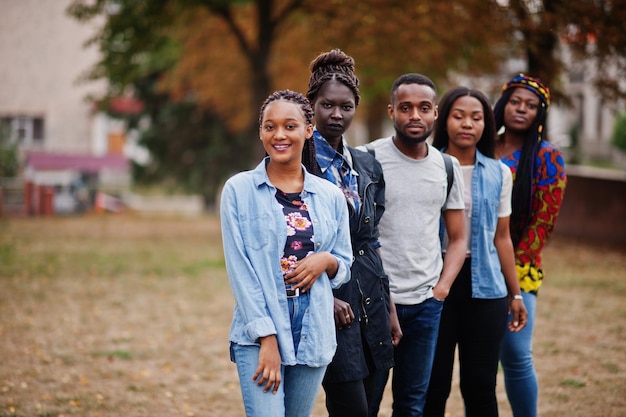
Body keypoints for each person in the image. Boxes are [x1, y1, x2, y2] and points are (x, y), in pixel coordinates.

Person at [220, 89, 353, 417]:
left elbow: (345, 264)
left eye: (290, 126)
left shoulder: (330, 195)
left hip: (314, 328)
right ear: (261, 131)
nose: (279, 134)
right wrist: (267, 338)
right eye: (270, 126)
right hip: (259, 326)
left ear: (308, 130)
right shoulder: (238, 191)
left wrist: (327, 260)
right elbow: (240, 270)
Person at [364, 73, 467, 417]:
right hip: (376, 302)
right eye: (405, 108)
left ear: (435, 113)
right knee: (366, 404)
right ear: (392, 110)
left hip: (426, 306)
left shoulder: (447, 167)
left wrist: (441, 290)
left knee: (411, 406)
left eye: (424, 108)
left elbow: (458, 238)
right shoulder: (367, 159)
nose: (415, 116)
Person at [305, 49, 401, 417]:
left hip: (371, 300)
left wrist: (389, 306)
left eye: (346, 107)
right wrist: (323, 299)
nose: (336, 115)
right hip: (330, 305)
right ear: (311, 104)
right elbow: (290, 242)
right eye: (327, 105)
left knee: (373, 405)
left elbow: (372, 240)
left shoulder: (366, 164)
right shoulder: (298, 164)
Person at [423, 86, 528, 417]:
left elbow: (502, 238)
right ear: (444, 119)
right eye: (458, 116)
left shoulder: (499, 173)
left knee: (480, 385)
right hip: (433, 284)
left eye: (476, 117)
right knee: (431, 385)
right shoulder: (426, 166)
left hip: (486, 291)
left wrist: (516, 294)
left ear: (487, 124)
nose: (466, 124)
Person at [494, 74, 567, 417]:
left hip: (518, 269)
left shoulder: (547, 157)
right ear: (502, 104)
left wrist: (513, 282)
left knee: (517, 355)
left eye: (531, 105)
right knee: (476, 363)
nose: (521, 109)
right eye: (515, 101)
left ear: (540, 113)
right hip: (464, 266)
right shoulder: (480, 147)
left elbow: (542, 225)